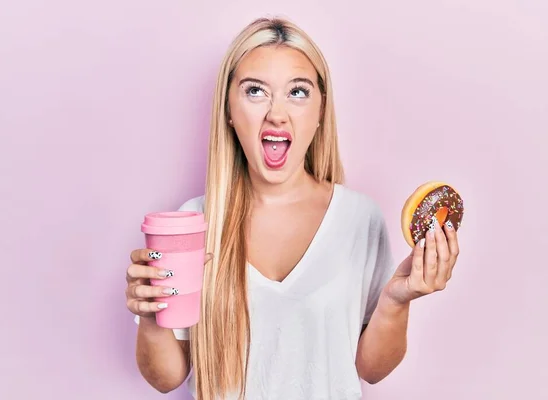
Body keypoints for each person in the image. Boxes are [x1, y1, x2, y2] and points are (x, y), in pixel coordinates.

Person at [125, 16, 460, 400]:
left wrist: (397, 300)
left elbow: (372, 369)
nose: (277, 113)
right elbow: (165, 378)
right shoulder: (193, 225)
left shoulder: (359, 220)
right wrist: (151, 318)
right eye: (255, 91)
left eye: (297, 92)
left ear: (320, 112)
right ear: (229, 112)